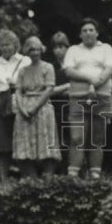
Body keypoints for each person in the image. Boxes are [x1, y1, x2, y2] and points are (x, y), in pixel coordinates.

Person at [62, 18, 112, 180]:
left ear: (97, 33)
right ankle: (73, 177)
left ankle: (95, 176)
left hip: (102, 97)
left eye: (91, 30)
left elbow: (110, 68)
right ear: (80, 34)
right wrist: (90, 79)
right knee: (76, 137)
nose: (88, 33)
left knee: (97, 137)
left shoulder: (106, 48)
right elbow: (69, 71)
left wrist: (97, 83)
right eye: (84, 30)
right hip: (78, 98)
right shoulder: (73, 50)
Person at [13, 36, 61, 177]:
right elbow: (18, 90)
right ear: (27, 51)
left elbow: (49, 89)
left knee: (46, 140)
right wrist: (22, 109)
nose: (34, 52)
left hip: (42, 107)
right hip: (25, 109)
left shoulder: (48, 67)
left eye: (37, 49)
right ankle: (29, 175)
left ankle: (48, 173)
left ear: (42, 49)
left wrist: (34, 108)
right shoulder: (22, 70)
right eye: (31, 49)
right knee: (25, 141)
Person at [0, 29, 31, 184]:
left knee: (21, 140)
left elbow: (32, 81)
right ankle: (3, 179)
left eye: (8, 44)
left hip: (20, 102)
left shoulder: (25, 61)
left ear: (15, 45)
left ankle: (25, 177)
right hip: (1, 103)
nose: (5, 48)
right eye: (2, 45)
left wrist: (18, 84)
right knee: (2, 143)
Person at [48, 32, 71, 170]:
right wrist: (67, 87)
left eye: (62, 46)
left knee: (74, 139)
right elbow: (49, 91)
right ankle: (60, 170)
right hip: (56, 107)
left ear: (68, 47)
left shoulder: (73, 66)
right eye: (56, 47)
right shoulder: (51, 67)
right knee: (59, 139)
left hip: (72, 106)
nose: (59, 50)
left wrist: (61, 90)